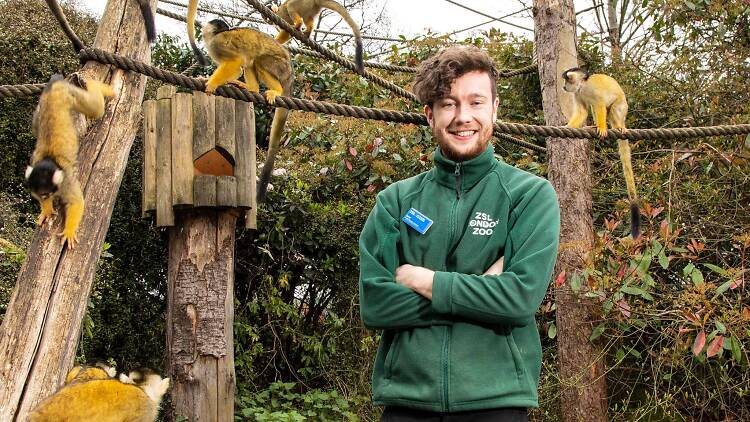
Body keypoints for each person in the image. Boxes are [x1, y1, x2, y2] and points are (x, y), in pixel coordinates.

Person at [358, 45, 561, 421]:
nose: (462, 117)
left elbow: (518, 299)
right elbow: (375, 305)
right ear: (429, 114)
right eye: (448, 104)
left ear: (494, 109)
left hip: (496, 404)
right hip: (406, 404)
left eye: (475, 102)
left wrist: (423, 279)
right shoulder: (395, 201)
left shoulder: (529, 195)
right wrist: (480, 290)